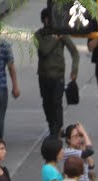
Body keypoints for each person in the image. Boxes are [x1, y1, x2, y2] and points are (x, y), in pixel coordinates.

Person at [35, 8, 80, 137]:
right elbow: (44, 50)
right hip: (44, 75)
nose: (50, 21)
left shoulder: (62, 34)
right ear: (44, 20)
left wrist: (74, 70)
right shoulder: (38, 35)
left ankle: (57, 128)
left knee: (56, 102)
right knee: (46, 103)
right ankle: (51, 125)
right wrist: (55, 39)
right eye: (48, 18)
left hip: (58, 75)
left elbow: (75, 52)